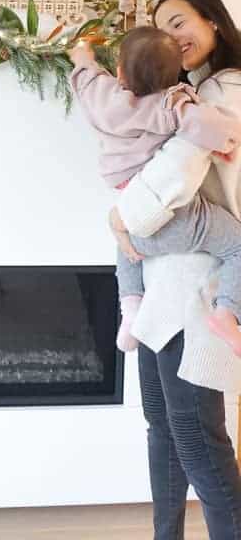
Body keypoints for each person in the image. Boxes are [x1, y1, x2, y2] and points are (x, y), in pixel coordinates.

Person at [109, 0, 241, 540]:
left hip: (198, 283)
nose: (173, 36)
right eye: (163, 27)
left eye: (181, 20)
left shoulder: (226, 91)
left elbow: (179, 171)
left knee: (193, 435)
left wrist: (122, 217)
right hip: (165, 285)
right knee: (163, 427)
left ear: (213, 20)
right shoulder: (186, 93)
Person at [70, 25, 241, 354]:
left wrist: (82, 55)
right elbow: (208, 126)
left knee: (127, 251)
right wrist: (225, 143)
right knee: (238, 246)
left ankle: (130, 310)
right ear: (176, 73)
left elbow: (86, 76)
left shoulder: (102, 97)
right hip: (177, 216)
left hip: (131, 211)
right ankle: (227, 313)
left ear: (119, 71)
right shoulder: (170, 105)